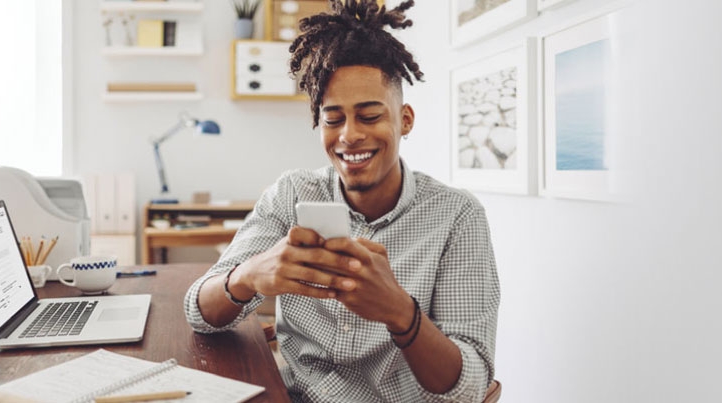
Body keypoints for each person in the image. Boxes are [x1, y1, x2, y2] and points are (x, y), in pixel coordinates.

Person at [183, 1, 499, 401]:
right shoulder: (291, 195)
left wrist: (400, 313)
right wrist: (248, 275)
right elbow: (199, 312)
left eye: (369, 116)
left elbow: (471, 385)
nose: (349, 135)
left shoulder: (457, 217)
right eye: (333, 119)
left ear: (405, 119)